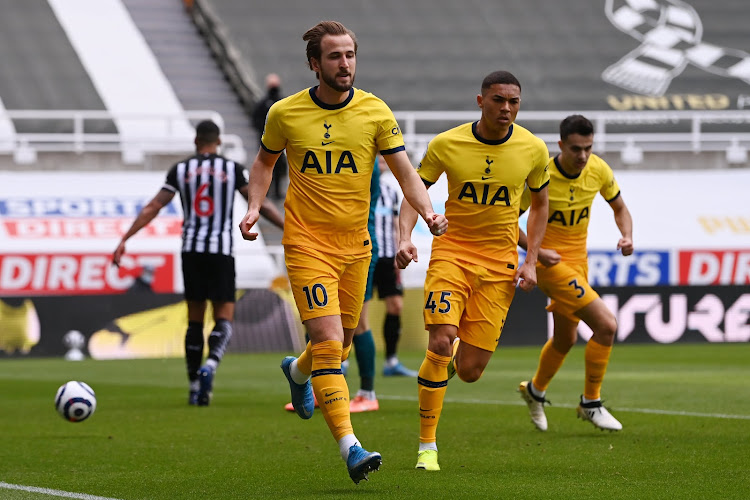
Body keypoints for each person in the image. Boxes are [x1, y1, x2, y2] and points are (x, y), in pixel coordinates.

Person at [238, 21, 447, 485]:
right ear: (315, 64)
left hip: (358, 246)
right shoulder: (285, 113)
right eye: (334, 56)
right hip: (307, 243)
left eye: (350, 54)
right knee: (332, 343)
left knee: (344, 338)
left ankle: (297, 370)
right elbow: (264, 163)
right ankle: (351, 447)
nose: (345, 63)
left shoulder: (375, 112)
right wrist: (255, 206)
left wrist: (428, 214)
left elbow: (406, 173)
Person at [397, 70, 550, 472]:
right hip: (452, 254)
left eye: (513, 102)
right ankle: (427, 446)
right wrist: (405, 236)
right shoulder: (446, 144)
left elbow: (540, 206)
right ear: (480, 101)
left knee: (469, 371)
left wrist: (531, 259)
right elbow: (416, 191)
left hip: (499, 266)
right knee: (442, 339)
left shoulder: (533, 149)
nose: (506, 108)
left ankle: (444, 368)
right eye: (498, 100)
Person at [113, 120, 284, 407]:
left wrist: (125, 239)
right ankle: (212, 363)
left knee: (194, 320)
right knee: (224, 317)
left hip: (191, 251)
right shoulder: (232, 169)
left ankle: (194, 385)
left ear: (196, 141)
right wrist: (288, 227)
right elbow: (261, 204)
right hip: (220, 252)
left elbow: (154, 206)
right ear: (218, 141)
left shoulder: (181, 170)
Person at [517, 114, 633, 432]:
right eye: (576, 149)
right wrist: (537, 252)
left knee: (566, 339)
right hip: (549, 265)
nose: (583, 156)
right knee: (606, 326)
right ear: (561, 146)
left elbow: (620, 208)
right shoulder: (542, 176)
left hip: (579, 263)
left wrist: (627, 235)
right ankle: (590, 402)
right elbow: (508, 222)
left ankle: (535, 390)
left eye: (588, 148)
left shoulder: (598, 168)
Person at [374, 158, 418, 377]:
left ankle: (391, 361)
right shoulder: (360, 189)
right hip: (365, 256)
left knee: (395, 306)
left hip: (388, 259)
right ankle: (341, 360)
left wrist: (399, 249)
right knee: (356, 313)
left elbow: (394, 225)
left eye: (384, 157)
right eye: (378, 157)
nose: (382, 161)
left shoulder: (390, 192)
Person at [252, 73, 288, 199]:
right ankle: (272, 191)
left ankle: (270, 191)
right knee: (272, 166)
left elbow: (255, 120)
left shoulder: (264, 103)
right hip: (275, 141)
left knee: (269, 166)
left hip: (269, 141)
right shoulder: (283, 102)